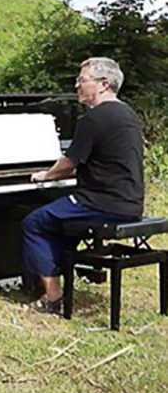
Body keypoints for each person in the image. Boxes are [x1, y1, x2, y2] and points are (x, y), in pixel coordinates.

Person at [22, 57, 144, 314]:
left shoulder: (94, 118)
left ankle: (53, 298)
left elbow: (68, 164)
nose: (77, 85)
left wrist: (45, 175)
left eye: (82, 80)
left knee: (33, 222)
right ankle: (54, 277)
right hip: (130, 202)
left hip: (101, 202)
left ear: (104, 84)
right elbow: (100, 159)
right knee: (61, 223)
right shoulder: (127, 114)